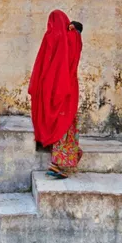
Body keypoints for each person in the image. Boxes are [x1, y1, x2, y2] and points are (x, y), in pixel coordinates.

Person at [29, 11, 84, 180]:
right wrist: (77, 29)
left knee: (58, 122)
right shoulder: (70, 38)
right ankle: (57, 164)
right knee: (65, 123)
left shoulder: (50, 37)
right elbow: (77, 42)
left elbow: (41, 65)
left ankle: (59, 161)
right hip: (65, 89)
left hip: (49, 88)